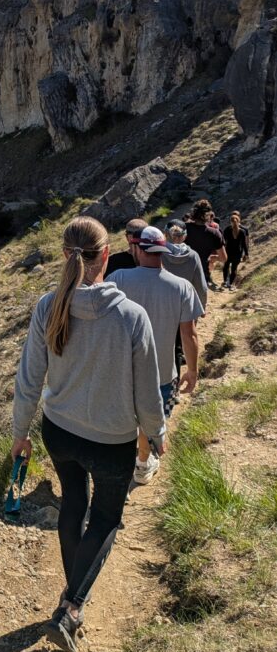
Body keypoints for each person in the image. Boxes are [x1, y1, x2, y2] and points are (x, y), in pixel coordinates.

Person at [13, 216, 166, 652]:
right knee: (104, 518)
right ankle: (73, 606)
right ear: (107, 256)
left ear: (66, 256)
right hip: (112, 441)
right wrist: (154, 434)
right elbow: (146, 388)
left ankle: (71, 593)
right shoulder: (131, 317)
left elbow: (29, 379)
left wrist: (20, 433)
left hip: (59, 431)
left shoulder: (49, 306)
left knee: (73, 505)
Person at [108, 226, 202, 484]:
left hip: (123, 370)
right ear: (163, 250)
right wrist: (192, 370)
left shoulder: (117, 279)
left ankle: (126, 462)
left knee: (128, 418)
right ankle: (142, 461)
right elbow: (189, 335)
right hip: (162, 371)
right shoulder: (181, 287)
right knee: (151, 418)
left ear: (137, 248)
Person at [163, 218, 207, 372]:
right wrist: (201, 307)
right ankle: (175, 385)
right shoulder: (193, 256)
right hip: (183, 308)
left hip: (161, 305)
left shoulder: (158, 253)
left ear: (165, 234)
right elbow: (201, 286)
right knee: (179, 345)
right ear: (184, 236)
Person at [184, 199, 226, 290]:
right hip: (202, 274)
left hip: (182, 272)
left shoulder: (184, 228)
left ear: (193, 213)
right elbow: (223, 258)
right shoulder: (215, 233)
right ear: (208, 215)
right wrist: (213, 258)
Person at [223, 211, 249, 289]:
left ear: (230, 221)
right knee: (234, 269)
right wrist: (246, 254)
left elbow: (223, 241)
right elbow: (244, 244)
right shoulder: (242, 231)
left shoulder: (227, 229)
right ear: (239, 221)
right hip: (238, 253)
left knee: (226, 267)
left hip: (228, 251)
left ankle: (225, 282)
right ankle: (231, 284)